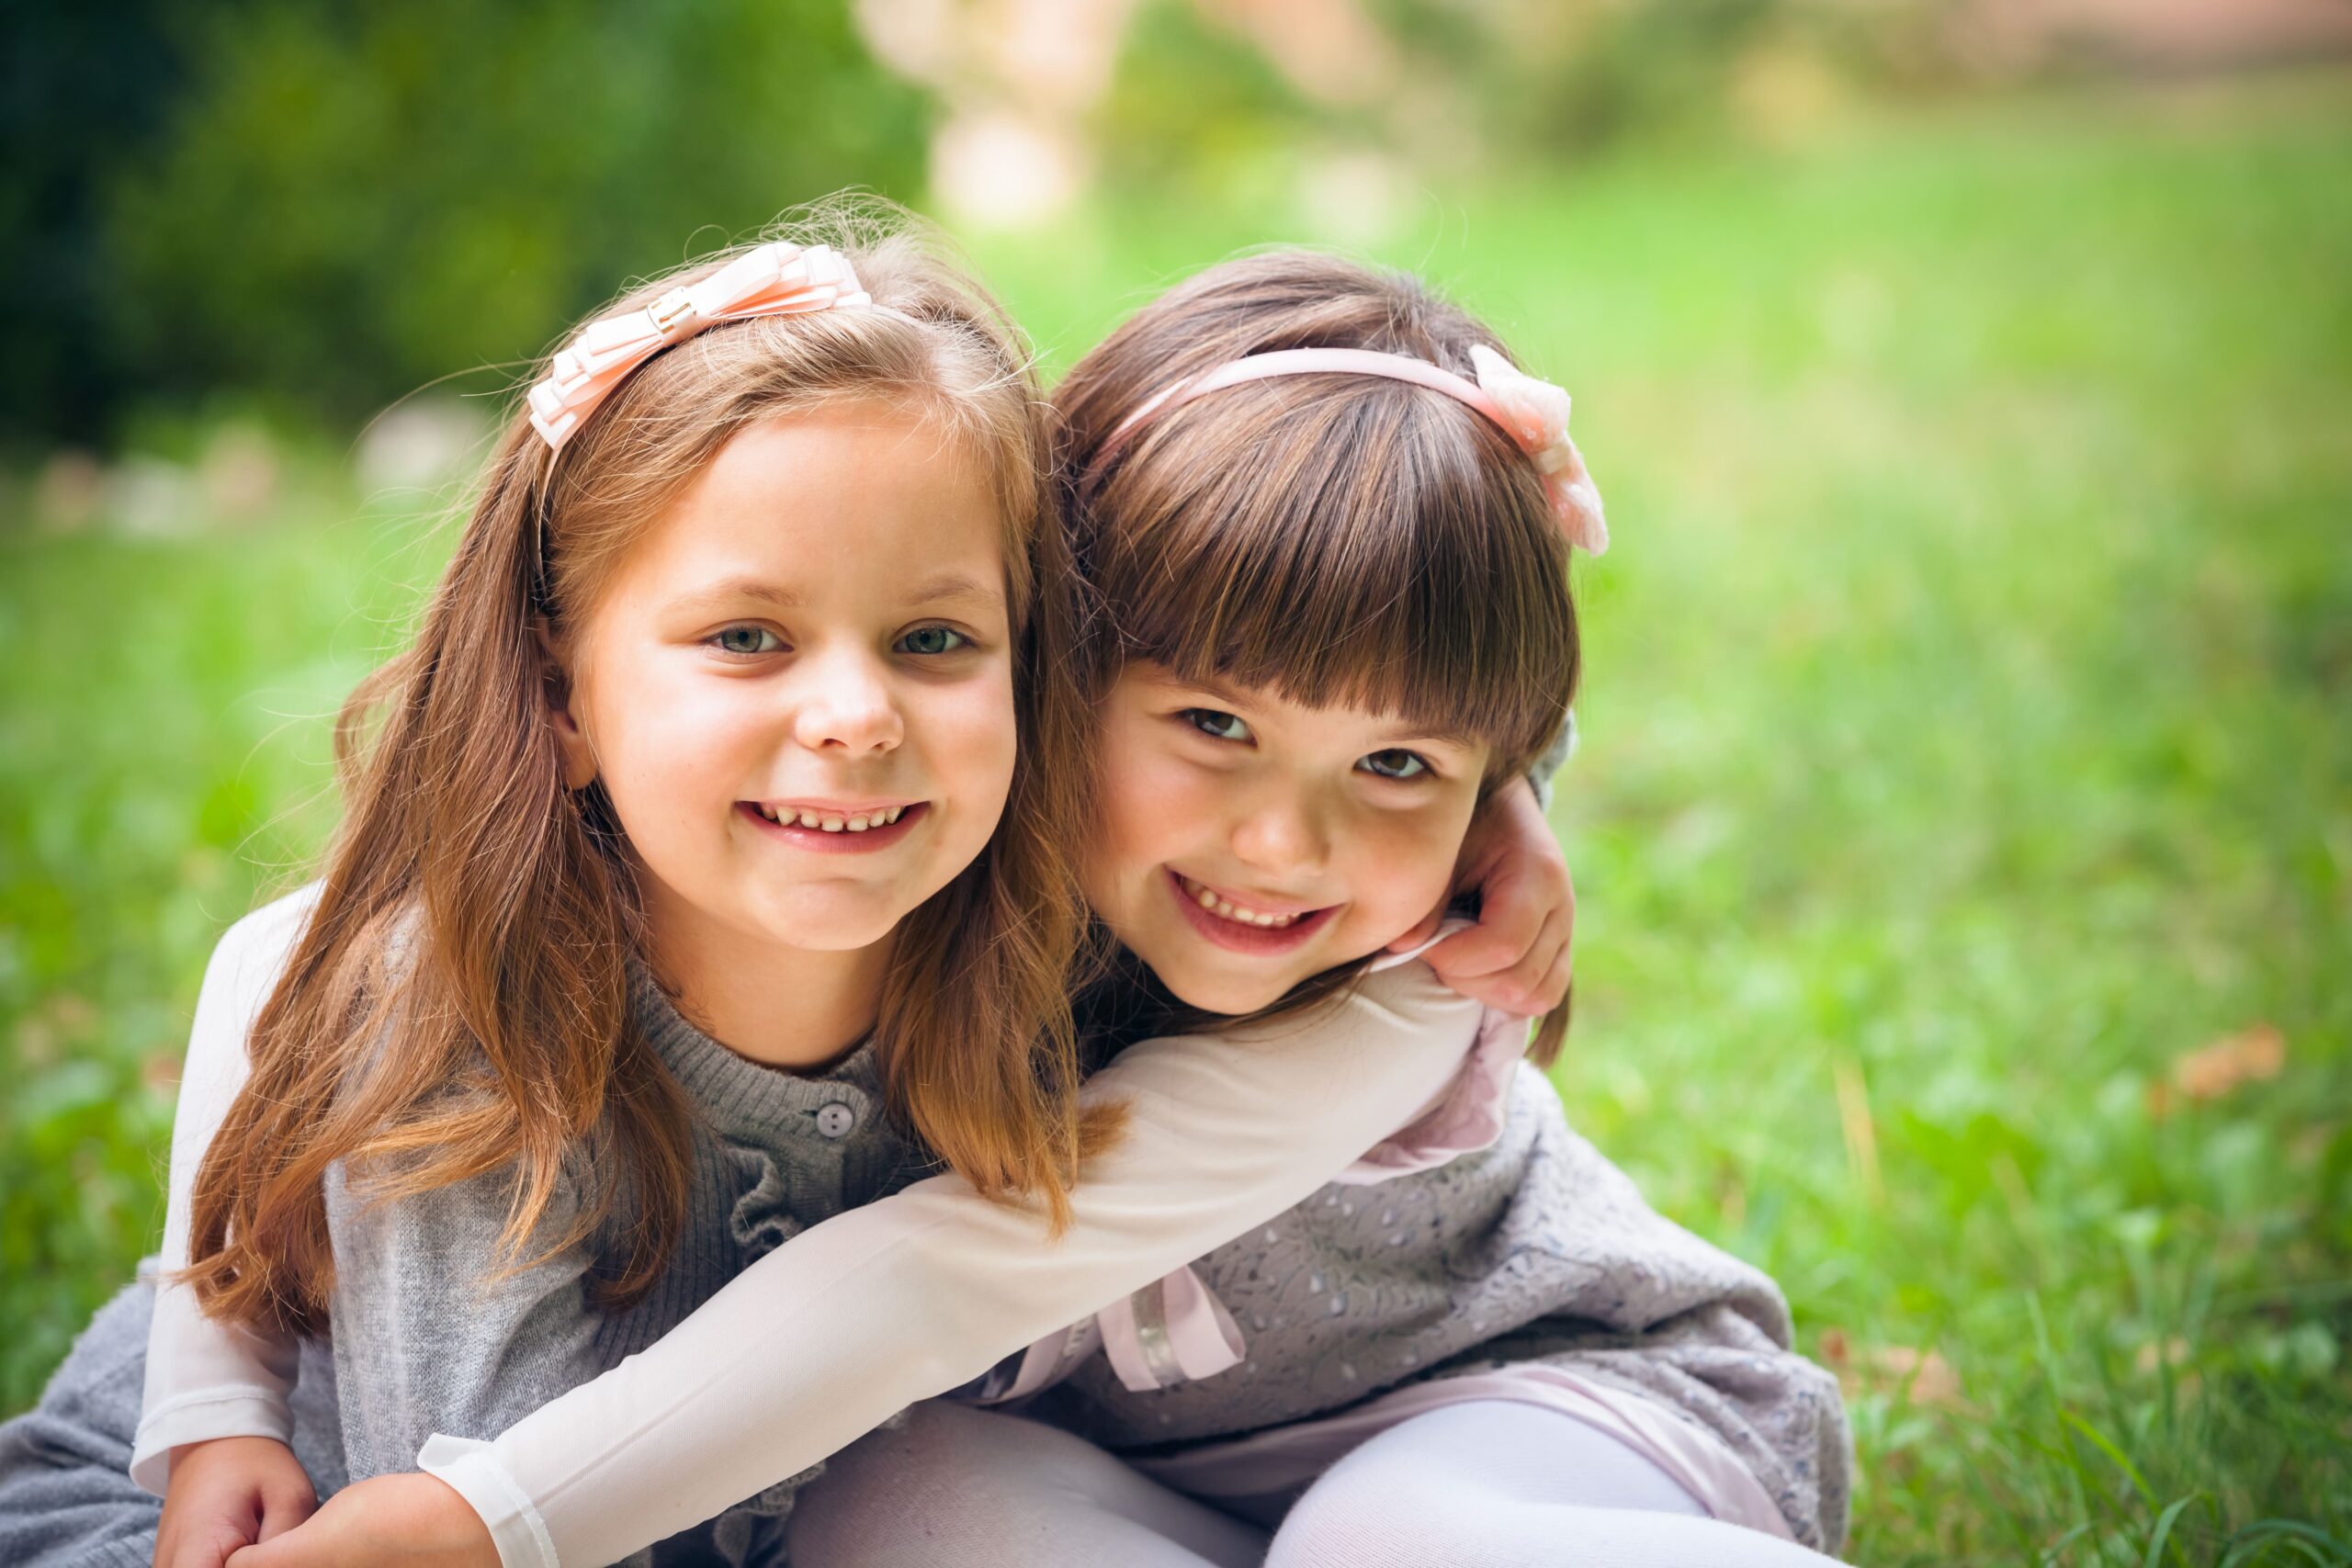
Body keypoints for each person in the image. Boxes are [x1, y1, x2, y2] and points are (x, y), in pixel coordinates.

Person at [220, 253, 1849, 1568]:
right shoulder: (963, 880)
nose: (1283, 843)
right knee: (882, 1503)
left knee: (1384, 1537)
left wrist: (1500, 799)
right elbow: (304, 970)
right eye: (1210, 726)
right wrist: (199, 1398)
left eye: (1404, 763)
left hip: (1556, 1414)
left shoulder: (1396, 993)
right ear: (1056, 656)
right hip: (1153, 1487)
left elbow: (934, 1279)